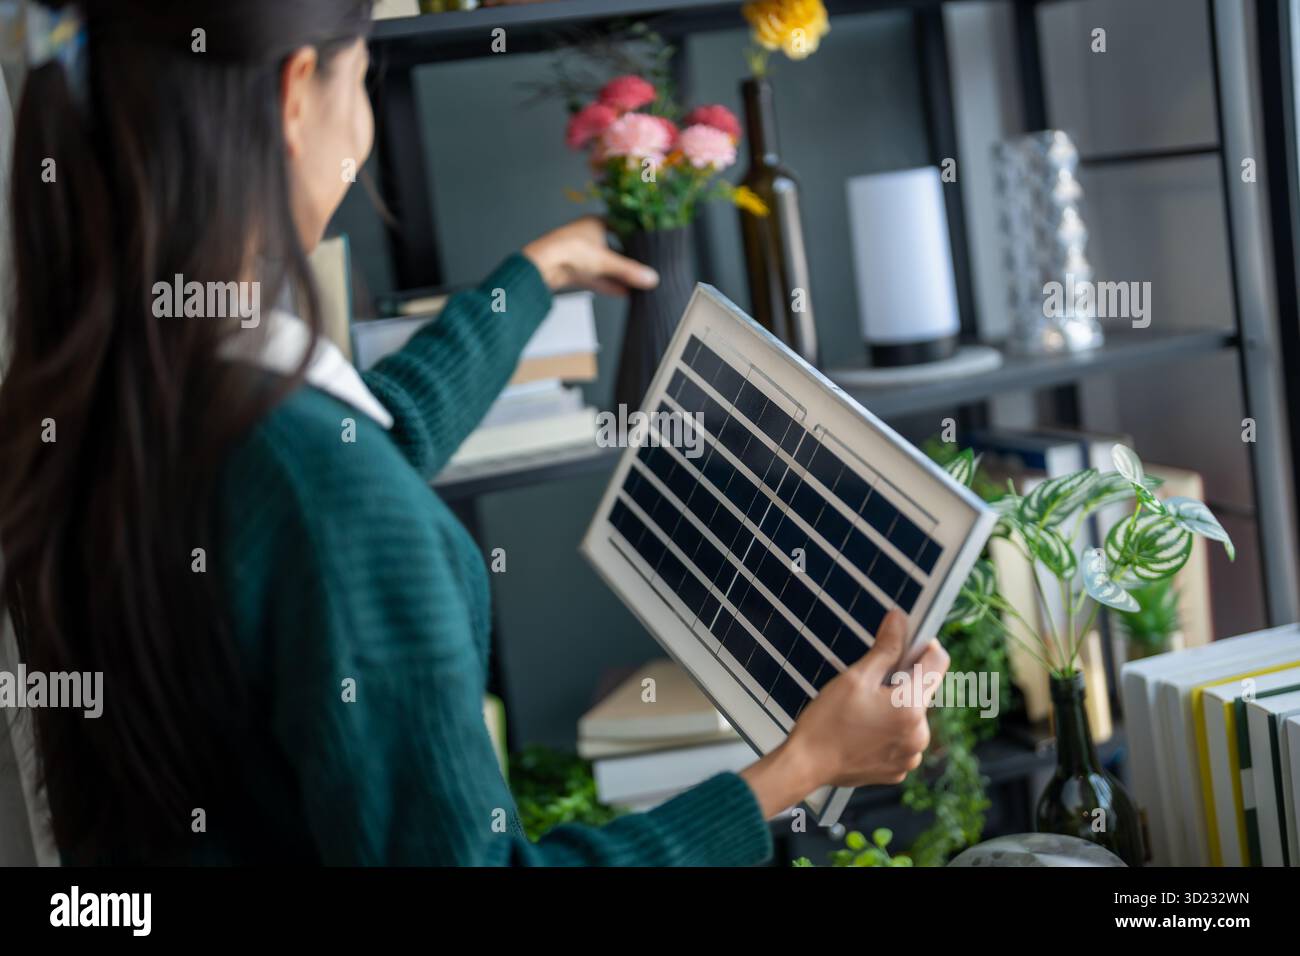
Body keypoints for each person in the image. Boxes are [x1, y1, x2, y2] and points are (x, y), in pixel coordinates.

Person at [0, 0, 948, 865]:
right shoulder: (324, 495)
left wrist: (527, 282)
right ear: (297, 96)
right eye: (362, 76)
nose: (364, 130)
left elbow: (360, 453)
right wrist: (800, 769)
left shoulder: (103, 402)